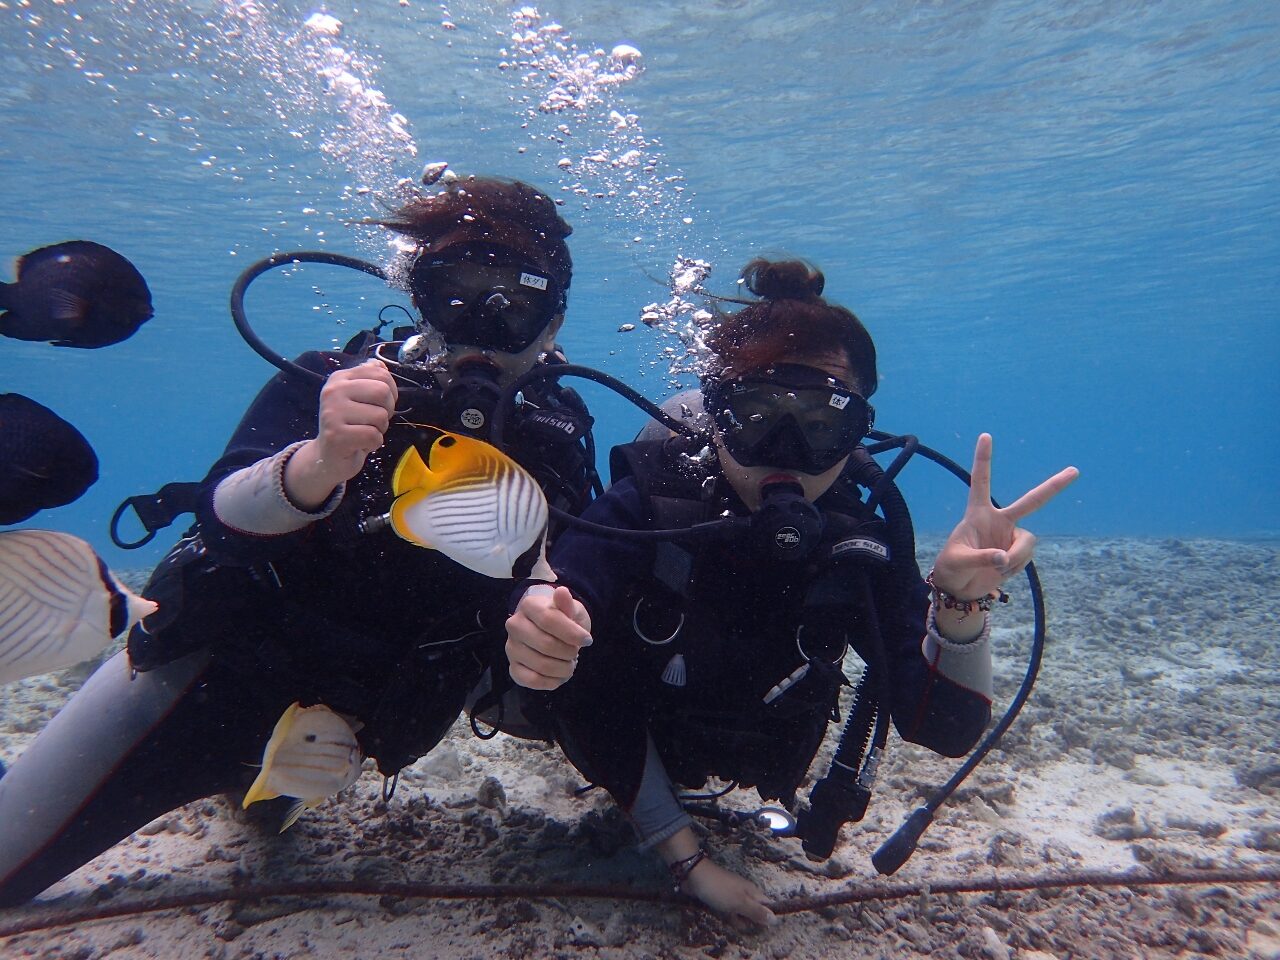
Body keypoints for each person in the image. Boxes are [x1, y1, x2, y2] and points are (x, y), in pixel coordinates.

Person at [0, 175, 597, 905]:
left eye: (512, 304)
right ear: (419, 297)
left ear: (554, 319)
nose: (481, 327)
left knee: (264, 820)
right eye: (455, 296)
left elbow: (548, 571)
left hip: (341, 739)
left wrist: (546, 625)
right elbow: (221, 514)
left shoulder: (559, 440)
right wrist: (317, 462)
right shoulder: (332, 380)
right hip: (203, 683)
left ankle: (253, 785)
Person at [505, 258, 1079, 926]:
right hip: (637, 741)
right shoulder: (644, 508)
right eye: (755, 416)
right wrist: (542, 622)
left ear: (858, 429)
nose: (784, 452)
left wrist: (961, 609)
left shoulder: (861, 541)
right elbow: (576, 677)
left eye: (821, 422)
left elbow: (946, 728)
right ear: (716, 416)